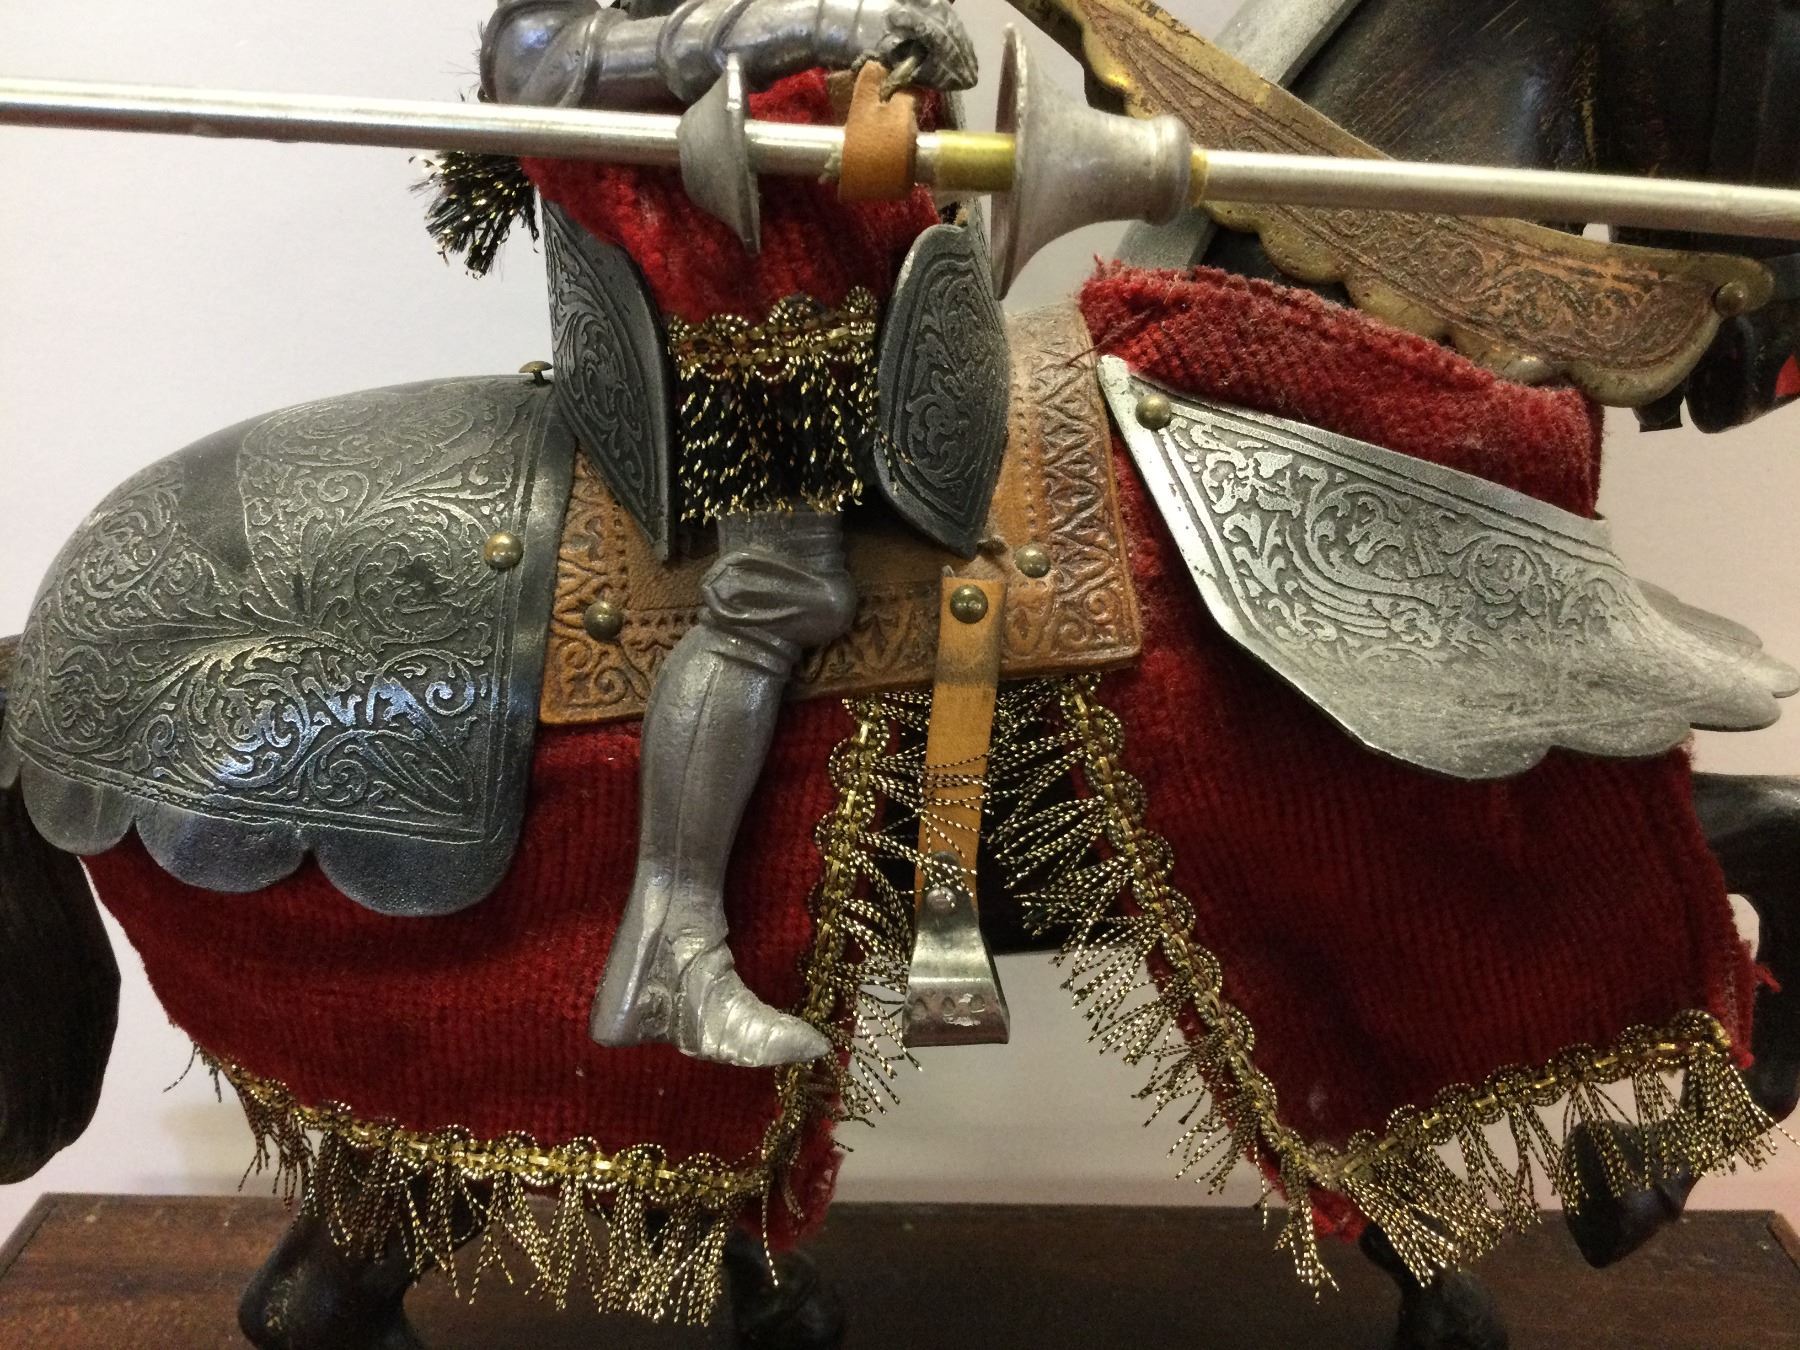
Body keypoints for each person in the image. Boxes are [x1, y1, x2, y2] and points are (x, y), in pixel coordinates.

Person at [482, 0, 977, 1067]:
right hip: (732, 282)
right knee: (775, 591)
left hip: (850, 244)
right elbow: (545, 57)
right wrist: (832, 22)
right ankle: (673, 952)